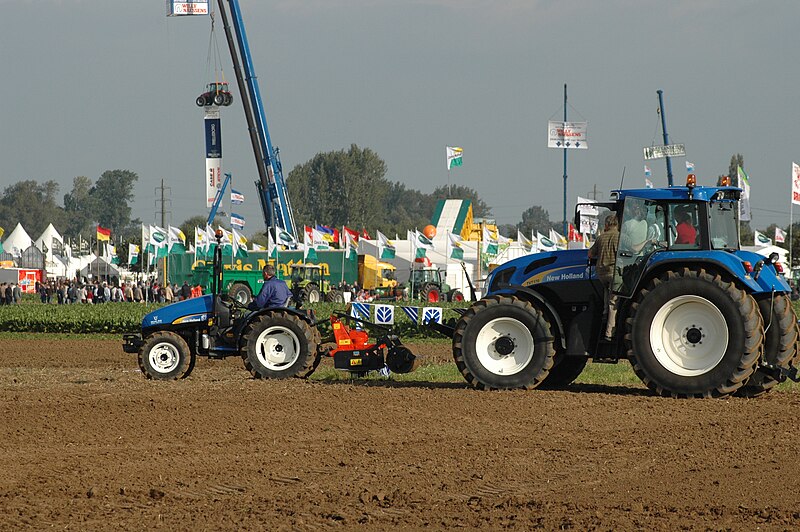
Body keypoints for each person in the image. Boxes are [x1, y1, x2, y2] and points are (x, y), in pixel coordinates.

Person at [588, 214, 620, 342]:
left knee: (606, 299)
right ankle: (609, 333)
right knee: (613, 302)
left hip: (601, 274)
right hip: (614, 273)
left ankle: (603, 320)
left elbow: (590, 254)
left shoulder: (600, 238)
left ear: (607, 225)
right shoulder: (619, 237)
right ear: (617, 224)